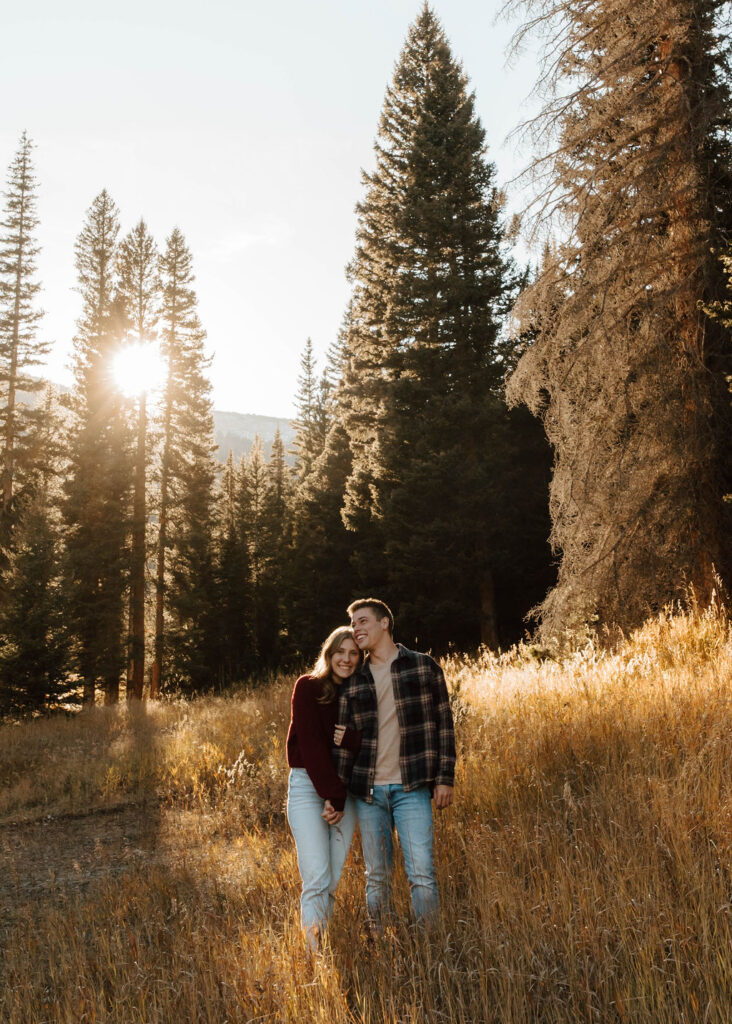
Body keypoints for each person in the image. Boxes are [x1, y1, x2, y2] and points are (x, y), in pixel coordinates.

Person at [334, 598, 455, 925]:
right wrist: (336, 795)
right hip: (368, 794)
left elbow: (444, 723)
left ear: (384, 623)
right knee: (376, 877)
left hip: (412, 787)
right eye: (353, 623)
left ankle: (429, 951)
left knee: (422, 874)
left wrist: (445, 778)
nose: (355, 629)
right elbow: (344, 743)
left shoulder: (423, 666)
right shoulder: (354, 679)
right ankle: (381, 946)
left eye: (362, 622)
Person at [286, 626, 363, 949]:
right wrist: (333, 796)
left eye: (353, 654)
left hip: (346, 791)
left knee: (331, 880)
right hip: (308, 787)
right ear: (329, 654)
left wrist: (351, 738)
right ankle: (313, 955)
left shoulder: (360, 694)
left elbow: (374, 742)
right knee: (316, 875)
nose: (346, 659)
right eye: (339, 652)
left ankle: (323, 942)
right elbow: (312, 746)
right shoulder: (308, 687)